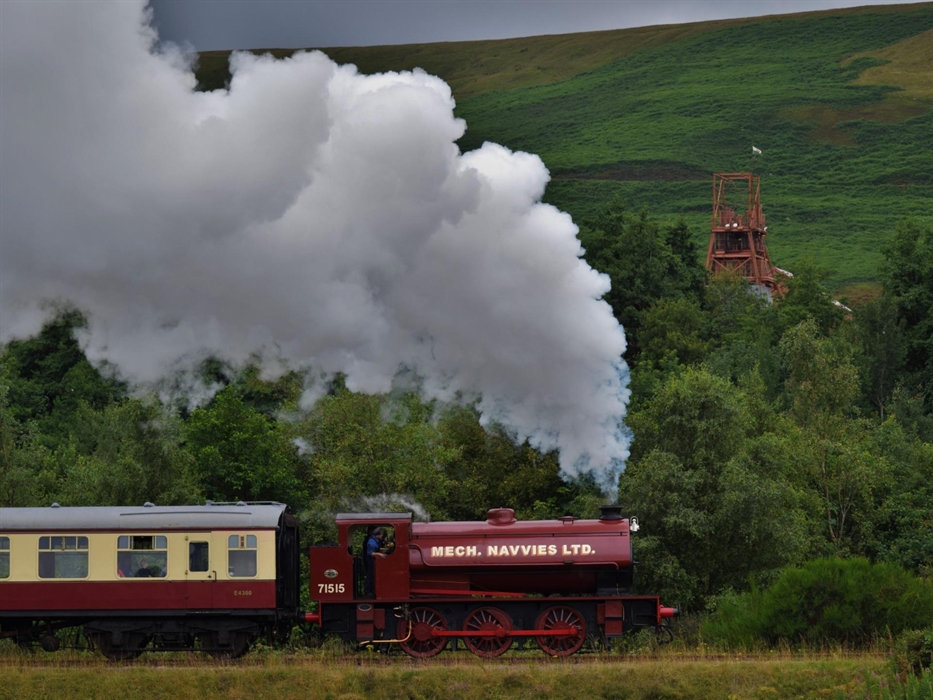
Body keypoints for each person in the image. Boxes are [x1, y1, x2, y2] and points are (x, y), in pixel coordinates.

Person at [362, 527, 387, 598]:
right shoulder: (372, 542)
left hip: (373, 559)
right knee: (370, 574)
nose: (383, 535)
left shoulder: (377, 540)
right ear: (378, 534)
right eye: (382, 534)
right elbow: (370, 553)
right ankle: (367, 591)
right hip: (370, 559)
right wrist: (379, 554)